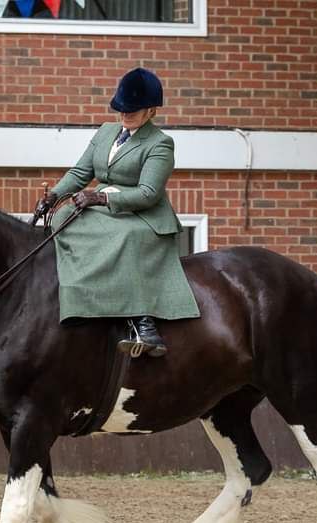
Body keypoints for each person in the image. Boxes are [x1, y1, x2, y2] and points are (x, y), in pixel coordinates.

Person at [45, 67, 200, 358]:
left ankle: (144, 323)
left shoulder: (160, 144)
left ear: (152, 111)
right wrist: (54, 195)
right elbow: (81, 171)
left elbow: (148, 193)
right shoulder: (106, 132)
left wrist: (100, 197)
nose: (125, 115)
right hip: (103, 206)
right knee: (63, 218)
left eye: (132, 111)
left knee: (124, 235)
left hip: (143, 216)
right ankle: (80, 300)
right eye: (122, 109)